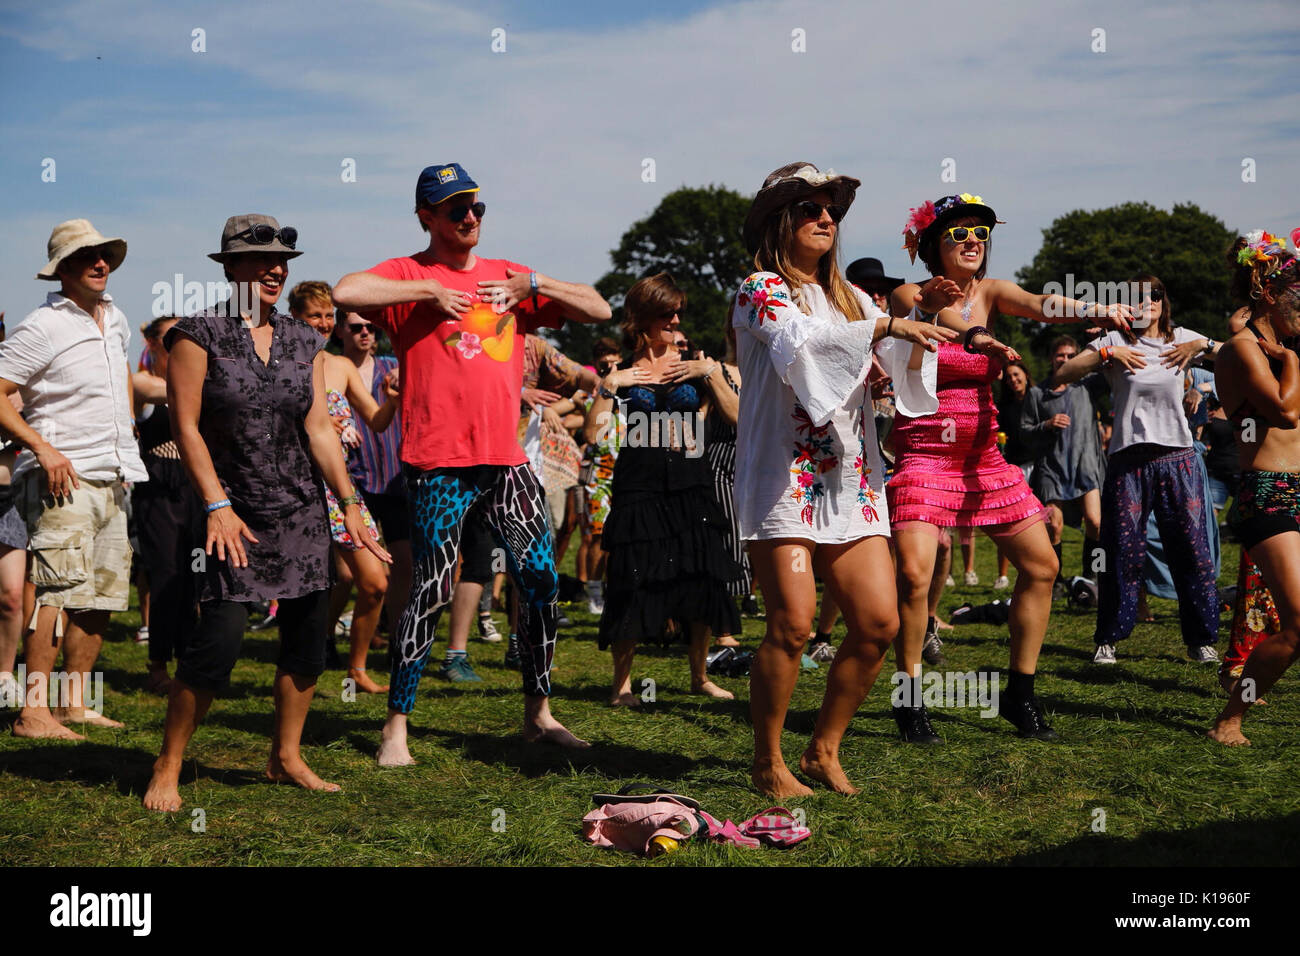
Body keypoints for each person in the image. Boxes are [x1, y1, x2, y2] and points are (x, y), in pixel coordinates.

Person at [332, 162, 610, 764]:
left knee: (538, 579)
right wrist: (428, 291)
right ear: (427, 216)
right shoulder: (409, 275)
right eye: (455, 208)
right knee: (430, 587)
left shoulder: (506, 277)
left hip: (507, 461)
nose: (470, 217)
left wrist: (535, 282)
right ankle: (396, 726)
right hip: (438, 462)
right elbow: (346, 291)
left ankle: (538, 714)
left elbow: (600, 310)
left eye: (477, 207)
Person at [142, 214, 390, 811]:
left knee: (306, 641)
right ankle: (168, 762)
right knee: (218, 644)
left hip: (302, 509)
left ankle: (285, 756)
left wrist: (350, 506)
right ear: (230, 268)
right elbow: (187, 427)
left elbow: (319, 429)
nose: (276, 268)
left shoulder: (306, 340)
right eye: (261, 259)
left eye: (283, 259)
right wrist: (218, 506)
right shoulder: (196, 336)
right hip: (234, 513)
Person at [735, 162, 955, 798]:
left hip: (850, 483)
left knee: (880, 623)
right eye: (810, 208)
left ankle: (822, 750)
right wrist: (887, 325)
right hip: (784, 480)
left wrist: (918, 327)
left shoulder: (852, 298)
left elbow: (892, 361)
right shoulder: (759, 288)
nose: (826, 218)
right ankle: (767, 761)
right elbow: (801, 344)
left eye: (831, 209)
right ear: (781, 222)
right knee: (794, 624)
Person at [888, 192, 1130, 744]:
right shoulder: (911, 291)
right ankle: (909, 695)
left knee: (1043, 565)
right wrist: (975, 333)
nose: (973, 240)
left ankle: (1018, 693)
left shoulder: (993, 293)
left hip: (982, 456)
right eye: (958, 233)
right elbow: (928, 311)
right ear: (933, 245)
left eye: (980, 232)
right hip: (925, 452)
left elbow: (1041, 303)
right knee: (914, 574)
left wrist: (1097, 310)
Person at [0, 219, 147, 739]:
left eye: (104, 254)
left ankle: (72, 704)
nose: (100, 262)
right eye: (87, 256)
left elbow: (122, 376)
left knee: (100, 597)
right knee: (56, 591)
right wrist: (41, 448)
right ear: (62, 269)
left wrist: (126, 445)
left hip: (113, 475)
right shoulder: (42, 325)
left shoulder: (118, 318)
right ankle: (33, 712)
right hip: (61, 477)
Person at [1050, 274, 1222, 665]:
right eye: (1138, 297)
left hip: (1178, 459)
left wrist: (1203, 345)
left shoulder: (1183, 338)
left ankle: (1200, 640)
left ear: (1165, 300)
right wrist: (1106, 356)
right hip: (1128, 461)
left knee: (1192, 552)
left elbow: (1235, 353)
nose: (1148, 302)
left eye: (1155, 295)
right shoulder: (1115, 340)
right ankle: (1109, 637)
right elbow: (1063, 374)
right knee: (1120, 552)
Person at [588, 273, 741, 704]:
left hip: (692, 482)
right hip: (640, 485)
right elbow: (595, 432)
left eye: (678, 312)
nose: (675, 319)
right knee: (632, 580)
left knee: (701, 576)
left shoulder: (696, 360)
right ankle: (621, 685)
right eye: (666, 313)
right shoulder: (622, 368)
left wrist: (710, 373)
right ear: (642, 317)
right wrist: (609, 386)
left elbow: (736, 418)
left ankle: (700, 676)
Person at [1207, 228, 1300, 745]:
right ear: (1267, 292)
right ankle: (1229, 718)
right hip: (1269, 493)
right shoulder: (1244, 350)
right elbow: (1285, 412)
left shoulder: (1284, 346)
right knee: (1297, 625)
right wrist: (1291, 362)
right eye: (1297, 294)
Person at [289, 281, 399, 694]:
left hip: (339, 489)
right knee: (312, 586)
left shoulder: (341, 366)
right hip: (294, 486)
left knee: (375, 582)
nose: (322, 322)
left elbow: (377, 421)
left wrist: (392, 399)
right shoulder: (279, 362)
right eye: (313, 315)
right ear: (295, 318)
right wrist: (309, 427)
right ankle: (304, 663)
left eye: (327, 315)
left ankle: (356, 668)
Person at [131, 315, 204, 695]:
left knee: (194, 577)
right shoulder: (144, 383)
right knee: (165, 576)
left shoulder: (196, 382)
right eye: (171, 338)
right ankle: (158, 664)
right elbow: (166, 394)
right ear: (154, 344)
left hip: (195, 492)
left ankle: (189, 665)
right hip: (158, 493)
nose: (181, 344)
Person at [335, 310, 413, 643]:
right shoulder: (332, 370)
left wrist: (408, 372)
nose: (365, 333)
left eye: (371, 327)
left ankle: (396, 638)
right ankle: (325, 635)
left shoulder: (390, 368)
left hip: (395, 479)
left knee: (405, 565)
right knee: (346, 574)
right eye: (356, 327)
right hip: (351, 481)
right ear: (341, 330)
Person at [1021, 336, 1107, 589]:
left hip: (1086, 465)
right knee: (1053, 526)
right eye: (1061, 355)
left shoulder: (1088, 386)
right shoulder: (1037, 393)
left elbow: (1108, 364)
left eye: (1071, 356)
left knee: (1096, 523)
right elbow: (1024, 431)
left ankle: (1093, 576)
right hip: (1052, 467)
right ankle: (1055, 581)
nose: (1066, 360)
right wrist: (1046, 424)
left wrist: (1100, 337)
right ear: (1051, 358)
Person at [992, 360, 1039, 589]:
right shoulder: (1004, 406)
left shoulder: (1037, 400)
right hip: (1013, 468)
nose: (1013, 380)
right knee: (1009, 521)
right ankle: (1003, 574)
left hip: (1037, 466)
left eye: (1016, 375)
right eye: (1009, 377)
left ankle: (1037, 566)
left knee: (1040, 522)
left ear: (1026, 375)